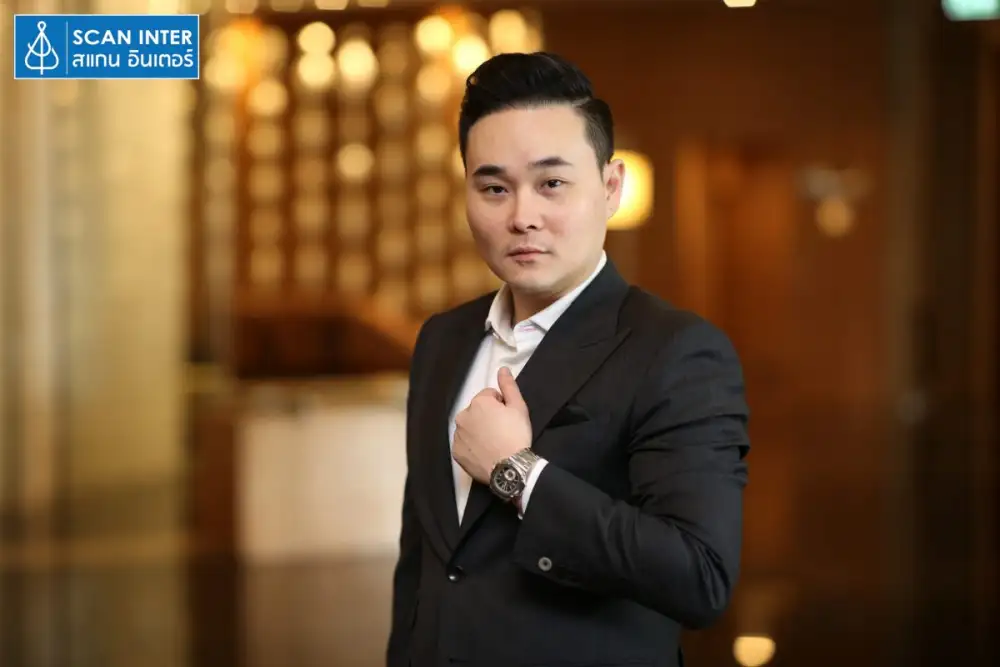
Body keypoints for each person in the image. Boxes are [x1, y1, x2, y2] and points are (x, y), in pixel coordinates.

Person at [387, 51, 750, 667]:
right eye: (494, 188)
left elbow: (699, 577)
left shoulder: (677, 351)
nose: (522, 217)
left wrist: (517, 472)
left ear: (610, 188)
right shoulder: (442, 340)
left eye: (552, 184)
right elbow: (423, 566)